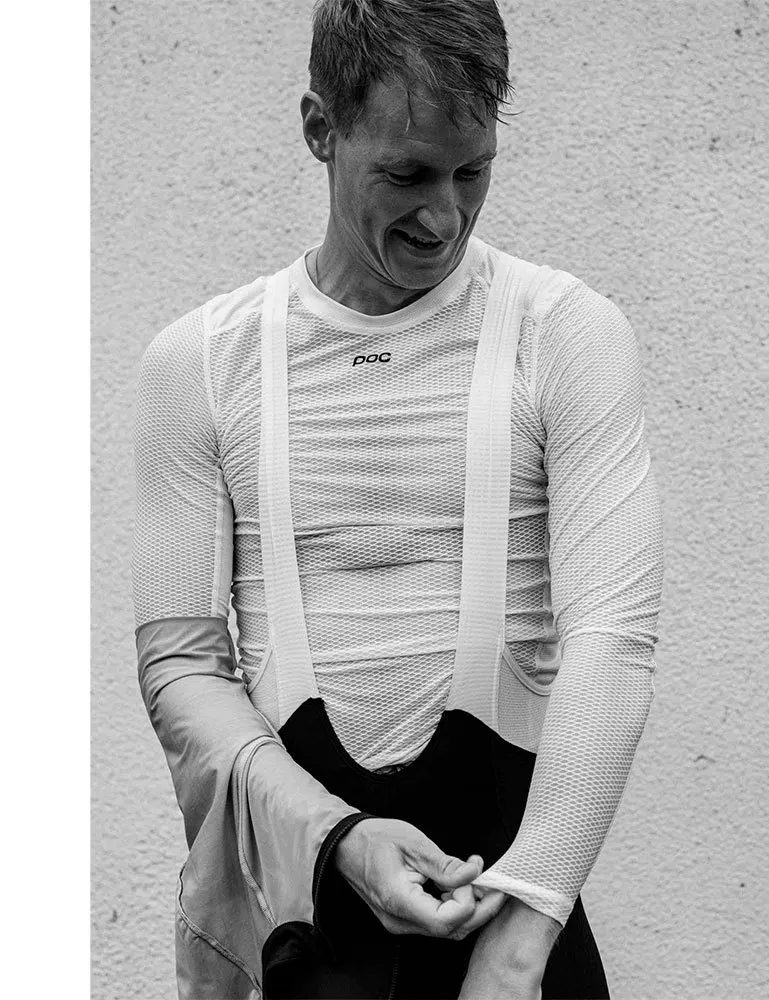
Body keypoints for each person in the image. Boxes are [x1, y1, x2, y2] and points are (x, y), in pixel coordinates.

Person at [132, 1, 663, 997]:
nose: (444, 217)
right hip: (316, 923)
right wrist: (336, 835)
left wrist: (522, 937)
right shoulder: (200, 361)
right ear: (319, 127)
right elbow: (181, 665)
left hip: (521, 932)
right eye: (408, 175)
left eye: (474, 171)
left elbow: (614, 637)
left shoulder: (565, 332)